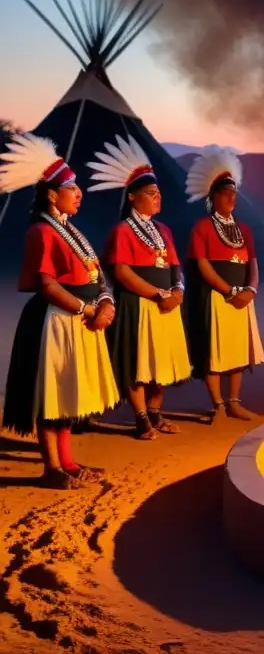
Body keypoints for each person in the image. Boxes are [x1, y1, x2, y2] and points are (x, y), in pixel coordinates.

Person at [0, 133, 119, 489]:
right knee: (52, 394)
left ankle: (67, 460)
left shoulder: (73, 231)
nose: (79, 194)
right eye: (72, 188)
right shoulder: (42, 231)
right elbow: (48, 285)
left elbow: (97, 274)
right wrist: (88, 309)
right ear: (53, 194)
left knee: (69, 394)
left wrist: (107, 303)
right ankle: (51, 466)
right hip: (55, 321)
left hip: (82, 321)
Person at [88, 135, 192, 439]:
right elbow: (120, 271)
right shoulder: (122, 231)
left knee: (160, 361)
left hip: (167, 303)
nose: (158, 198)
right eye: (150, 193)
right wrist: (158, 294)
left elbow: (175, 267)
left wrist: (179, 291)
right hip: (139, 304)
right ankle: (141, 417)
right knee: (139, 362)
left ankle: (156, 413)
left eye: (159, 193)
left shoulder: (164, 230)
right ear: (132, 197)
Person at [183, 145, 264, 421]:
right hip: (218, 296)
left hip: (243, 295)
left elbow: (252, 261)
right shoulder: (202, 227)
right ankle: (217, 404)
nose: (232, 198)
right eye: (226, 194)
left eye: (234, 194)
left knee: (237, 348)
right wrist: (228, 291)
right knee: (215, 350)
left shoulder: (244, 229)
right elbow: (203, 264)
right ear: (214, 197)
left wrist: (250, 289)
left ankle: (234, 402)